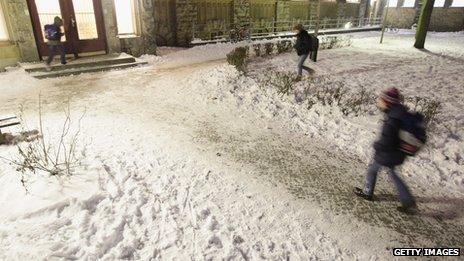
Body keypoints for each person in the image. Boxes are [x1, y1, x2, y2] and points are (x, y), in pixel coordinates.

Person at [354, 88, 417, 214]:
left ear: (388, 102)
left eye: (381, 100)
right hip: (397, 152)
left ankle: (368, 193)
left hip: (388, 153)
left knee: (373, 170)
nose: (379, 102)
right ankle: (408, 201)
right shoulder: (398, 114)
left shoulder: (392, 119)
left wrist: (377, 145)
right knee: (392, 175)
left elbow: (386, 140)